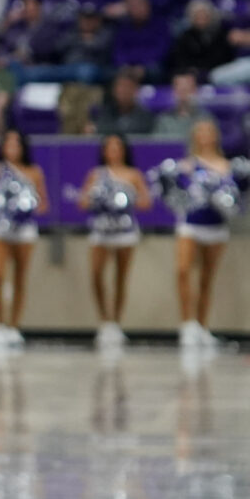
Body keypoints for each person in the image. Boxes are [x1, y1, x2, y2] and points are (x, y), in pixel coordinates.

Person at [151, 120, 250, 369]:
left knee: (207, 278)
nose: (205, 137)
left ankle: (202, 326)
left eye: (209, 132)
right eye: (200, 133)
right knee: (183, 270)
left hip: (216, 227)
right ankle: (187, 325)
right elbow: (168, 187)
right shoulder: (187, 165)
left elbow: (238, 195)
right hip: (190, 223)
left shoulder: (227, 166)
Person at [0, 128, 46, 358]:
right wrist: (1, 204)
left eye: (16, 144)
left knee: (20, 276)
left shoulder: (34, 172)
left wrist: (25, 207)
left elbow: (44, 204)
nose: (12, 149)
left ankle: (14, 327)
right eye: (8, 144)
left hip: (24, 230)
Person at [82, 135, 149, 362]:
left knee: (121, 277)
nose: (113, 151)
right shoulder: (96, 174)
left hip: (125, 232)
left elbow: (146, 202)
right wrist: (98, 198)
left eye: (117, 147)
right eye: (109, 147)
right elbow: (82, 201)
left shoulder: (133, 175)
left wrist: (125, 199)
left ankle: (116, 323)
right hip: (101, 230)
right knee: (96, 274)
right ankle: (104, 321)